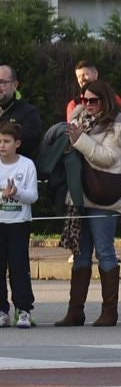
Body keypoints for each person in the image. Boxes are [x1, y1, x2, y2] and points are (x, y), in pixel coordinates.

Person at [55, 80, 121, 328]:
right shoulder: (80, 121)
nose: (88, 105)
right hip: (80, 196)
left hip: (104, 196)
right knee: (80, 254)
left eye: (93, 100)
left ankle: (109, 312)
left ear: (105, 100)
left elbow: (108, 158)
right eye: (84, 100)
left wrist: (80, 140)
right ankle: (75, 311)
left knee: (105, 251)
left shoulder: (119, 126)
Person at [0, 121, 36, 326]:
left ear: (17, 143)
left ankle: (23, 309)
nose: (2, 145)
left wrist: (17, 193)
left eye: (7, 141)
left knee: (19, 266)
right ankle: (1, 311)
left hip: (18, 223)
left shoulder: (27, 165)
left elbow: (33, 196)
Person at [0, 66, 42, 161]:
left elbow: (31, 143)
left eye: (2, 82)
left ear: (15, 85)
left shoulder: (29, 112)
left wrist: (10, 131)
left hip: (16, 170)